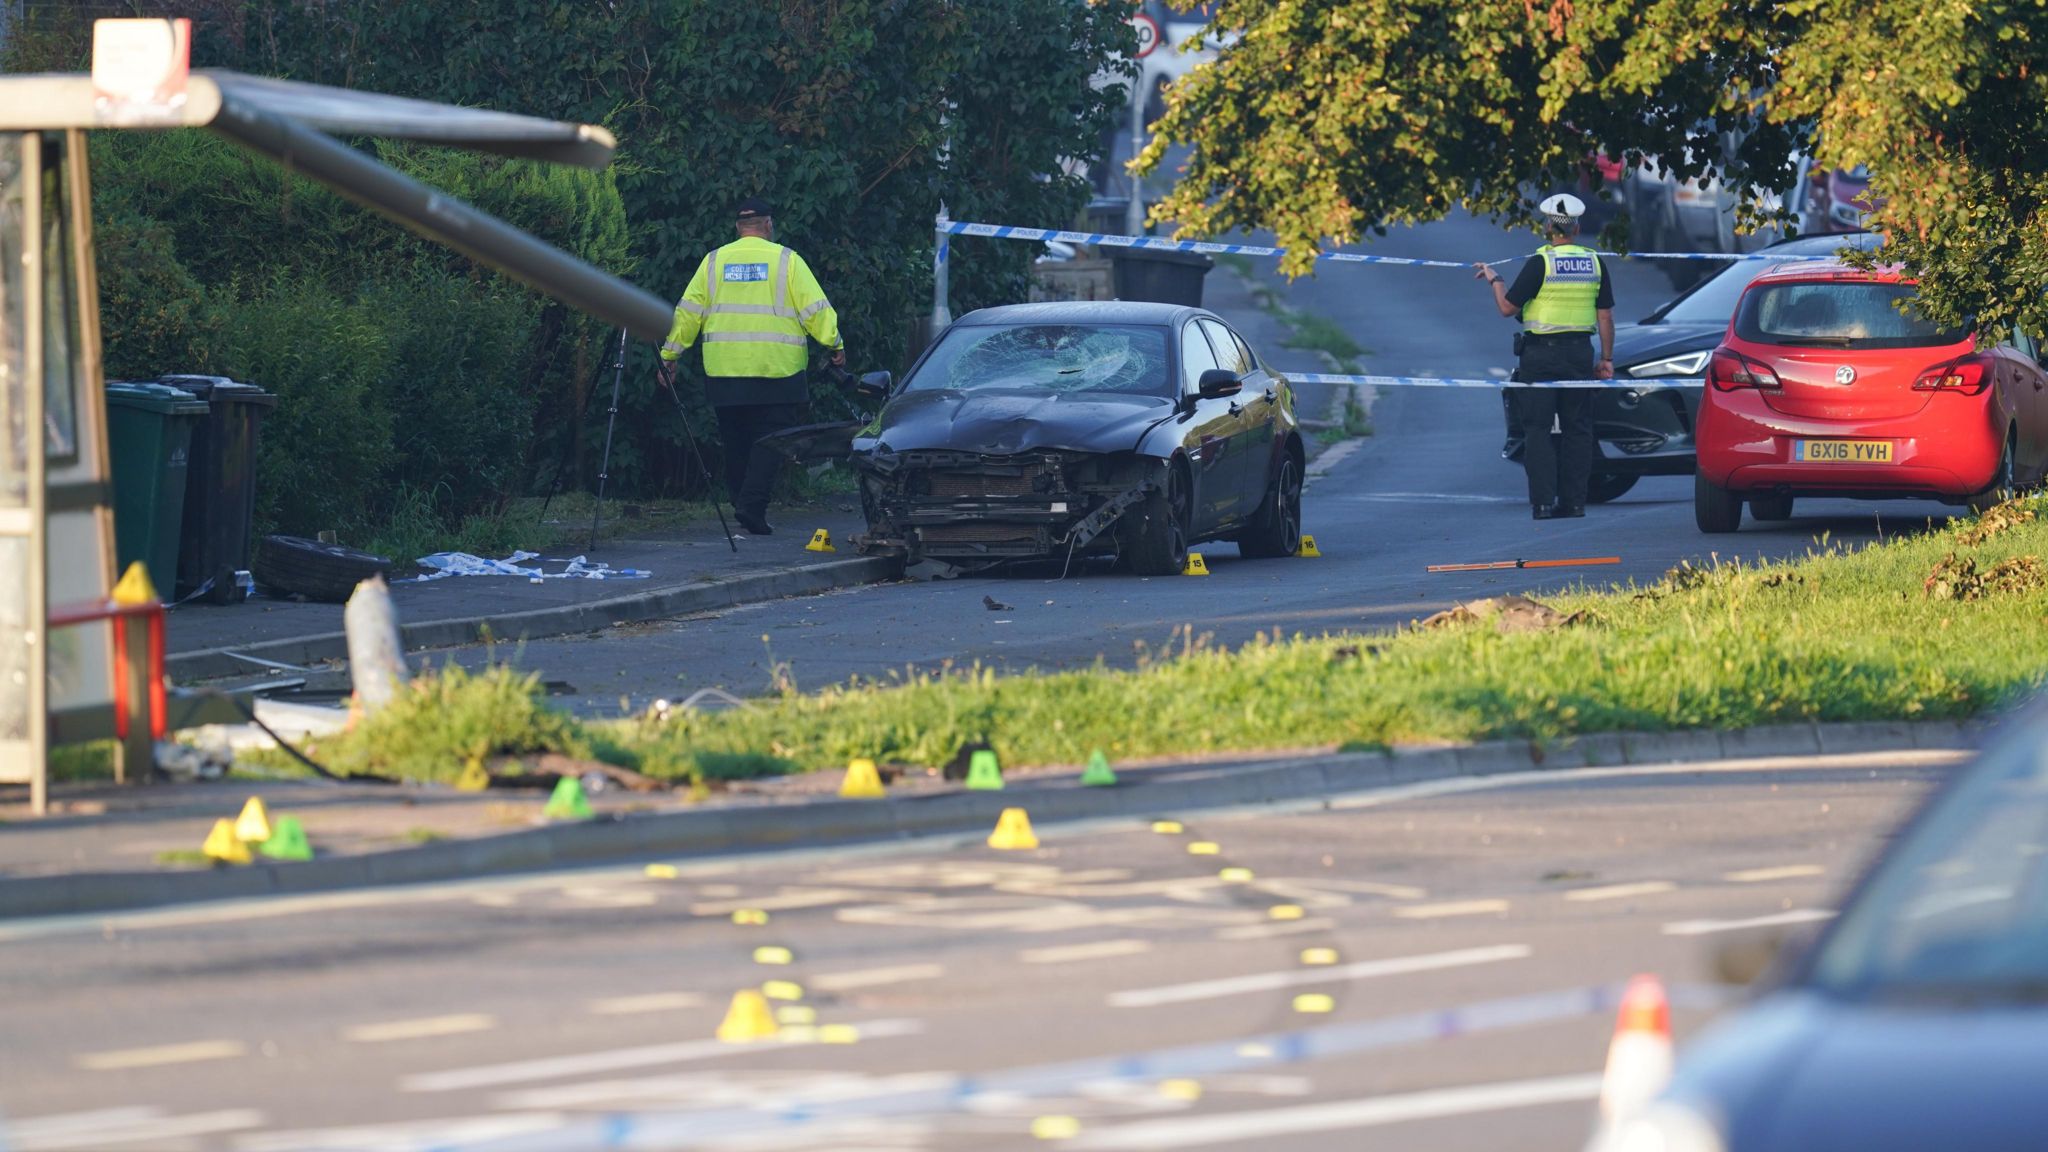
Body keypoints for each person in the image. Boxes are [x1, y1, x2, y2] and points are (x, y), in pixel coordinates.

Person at [658, 198, 843, 536]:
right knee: (771, 442)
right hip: (778, 372)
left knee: (735, 441)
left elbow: (687, 313)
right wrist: (834, 345)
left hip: (725, 372)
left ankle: (740, 501)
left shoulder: (714, 262)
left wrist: (670, 356)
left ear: (738, 228)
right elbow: (815, 309)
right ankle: (752, 507)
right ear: (768, 225)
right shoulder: (787, 261)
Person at [1473, 193, 1616, 519]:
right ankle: (1575, 503)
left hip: (1540, 357)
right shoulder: (1594, 262)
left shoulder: (1541, 262)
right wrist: (1606, 359)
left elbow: (1507, 308)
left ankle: (1542, 503)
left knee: (1537, 430)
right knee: (1578, 430)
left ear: (1549, 226)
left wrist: (1496, 280)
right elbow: (1605, 316)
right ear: (1577, 228)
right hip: (1580, 355)